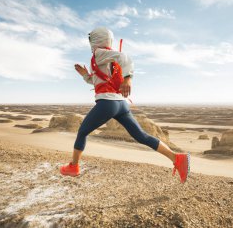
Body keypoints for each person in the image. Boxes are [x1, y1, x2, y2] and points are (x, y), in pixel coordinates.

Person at [60, 27, 190, 183]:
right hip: (121, 103)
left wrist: (128, 78)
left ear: (96, 39)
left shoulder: (99, 53)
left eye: (90, 40)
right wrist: (85, 76)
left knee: (82, 132)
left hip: (108, 103)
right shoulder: (107, 57)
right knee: (141, 136)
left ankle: (73, 167)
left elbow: (125, 57)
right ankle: (177, 158)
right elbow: (98, 81)